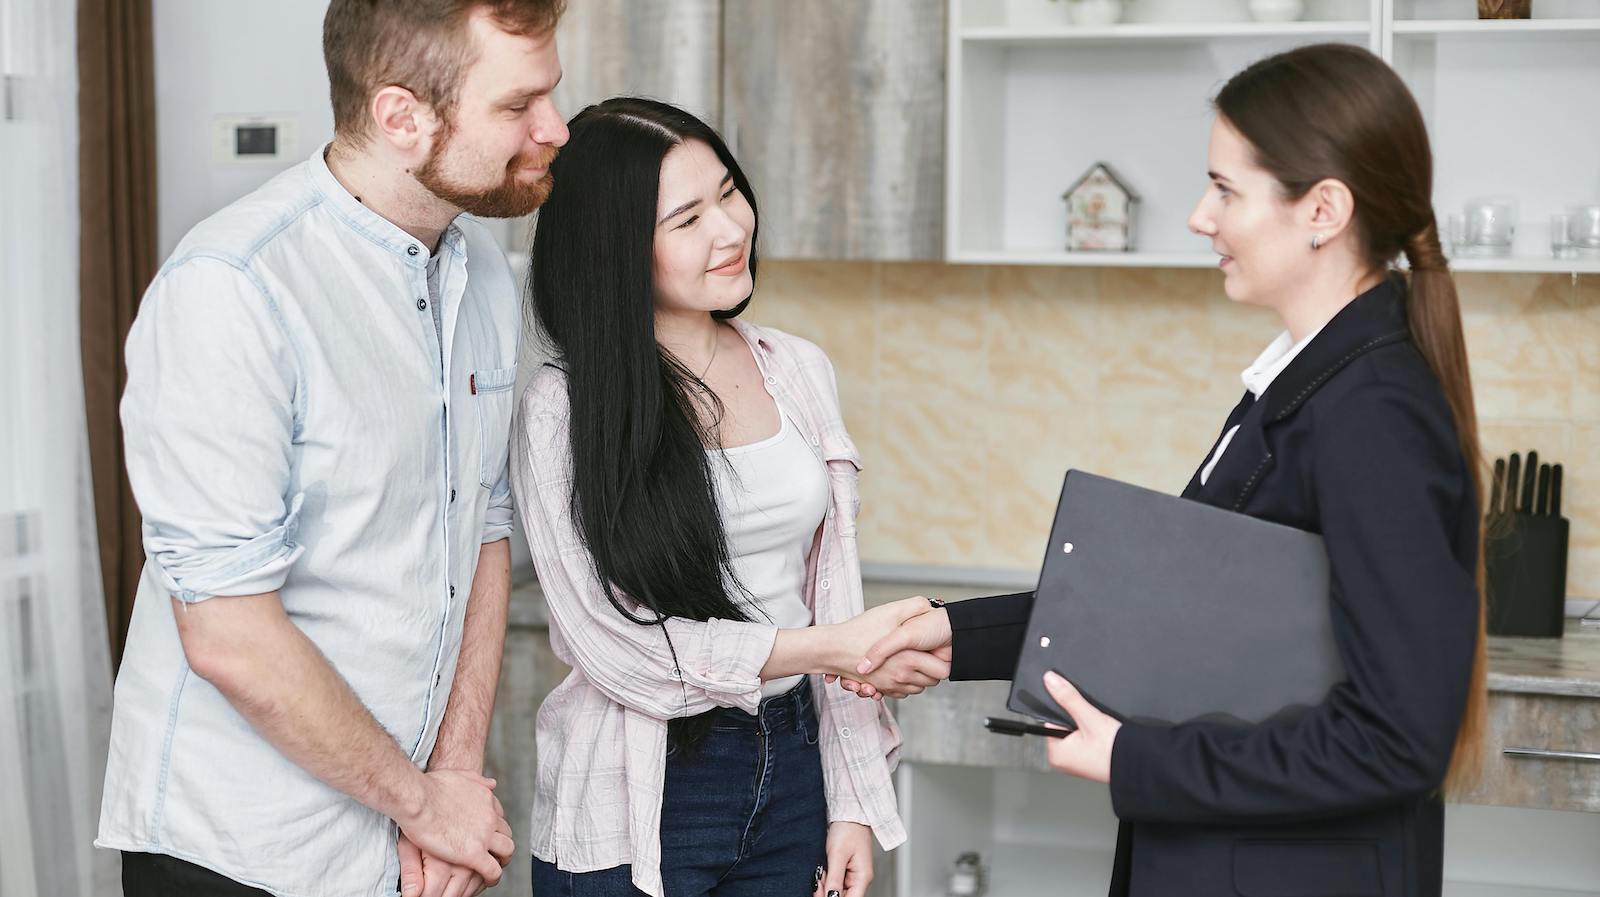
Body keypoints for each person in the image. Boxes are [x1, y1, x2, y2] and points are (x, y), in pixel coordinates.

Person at [851, 43, 1487, 897]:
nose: (1199, 215)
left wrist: (1135, 754)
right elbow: (1176, 618)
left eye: (1226, 189)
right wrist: (956, 633)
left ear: (1323, 210)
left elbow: (1395, 741)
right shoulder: (1303, 384)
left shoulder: (1374, 414)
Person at [95, 2, 569, 895]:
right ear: (400, 117)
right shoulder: (232, 289)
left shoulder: (486, 280)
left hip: (405, 838)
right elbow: (230, 634)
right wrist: (428, 808)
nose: (555, 128)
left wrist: (453, 780)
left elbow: (485, 529)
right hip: (239, 850)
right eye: (518, 105)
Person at [512, 97, 943, 897]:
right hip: (641, 787)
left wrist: (850, 800)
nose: (730, 227)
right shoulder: (564, 409)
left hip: (792, 768)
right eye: (687, 218)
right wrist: (825, 648)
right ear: (617, 250)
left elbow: (830, 594)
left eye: (728, 192)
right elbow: (617, 649)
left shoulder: (797, 368)